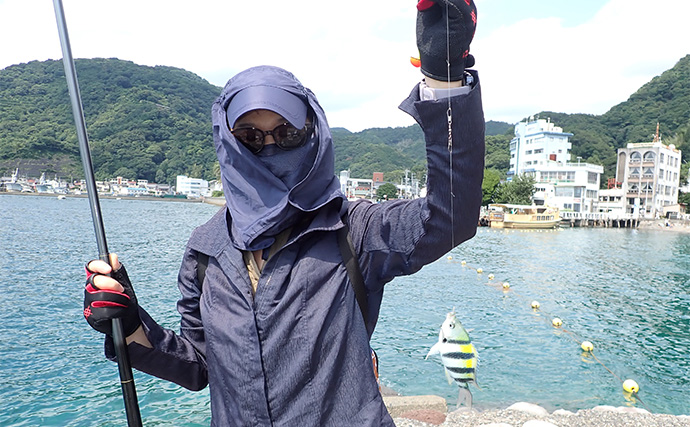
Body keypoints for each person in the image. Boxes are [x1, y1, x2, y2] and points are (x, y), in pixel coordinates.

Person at [82, 1, 484, 425]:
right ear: (228, 142)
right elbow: (200, 365)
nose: (269, 147)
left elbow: (450, 216)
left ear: (312, 135)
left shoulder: (354, 231)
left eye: (287, 132)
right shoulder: (205, 250)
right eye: (250, 136)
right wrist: (129, 322)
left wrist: (444, 78)